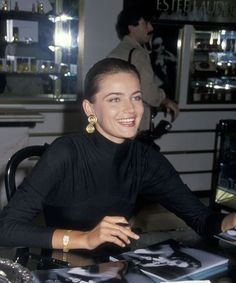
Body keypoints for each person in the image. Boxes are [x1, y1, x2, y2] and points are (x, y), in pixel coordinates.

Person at [0, 57, 236, 254]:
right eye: (115, 99)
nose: (131, 110)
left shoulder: (145, 159)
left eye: (135, 97)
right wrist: (85, 239)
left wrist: (230, 222)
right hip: (63, 269)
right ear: (90, 109)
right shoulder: (66, 152)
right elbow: (6, 229)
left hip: (118, 270)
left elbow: (202, 220)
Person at [108, 8, 179, 131]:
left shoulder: (116, 52)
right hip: (134, 126)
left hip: (116, 122)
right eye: (146, 24)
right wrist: (166, 101)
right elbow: (148, 91)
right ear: (132, 28)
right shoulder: (138, 55)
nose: (150, 28)